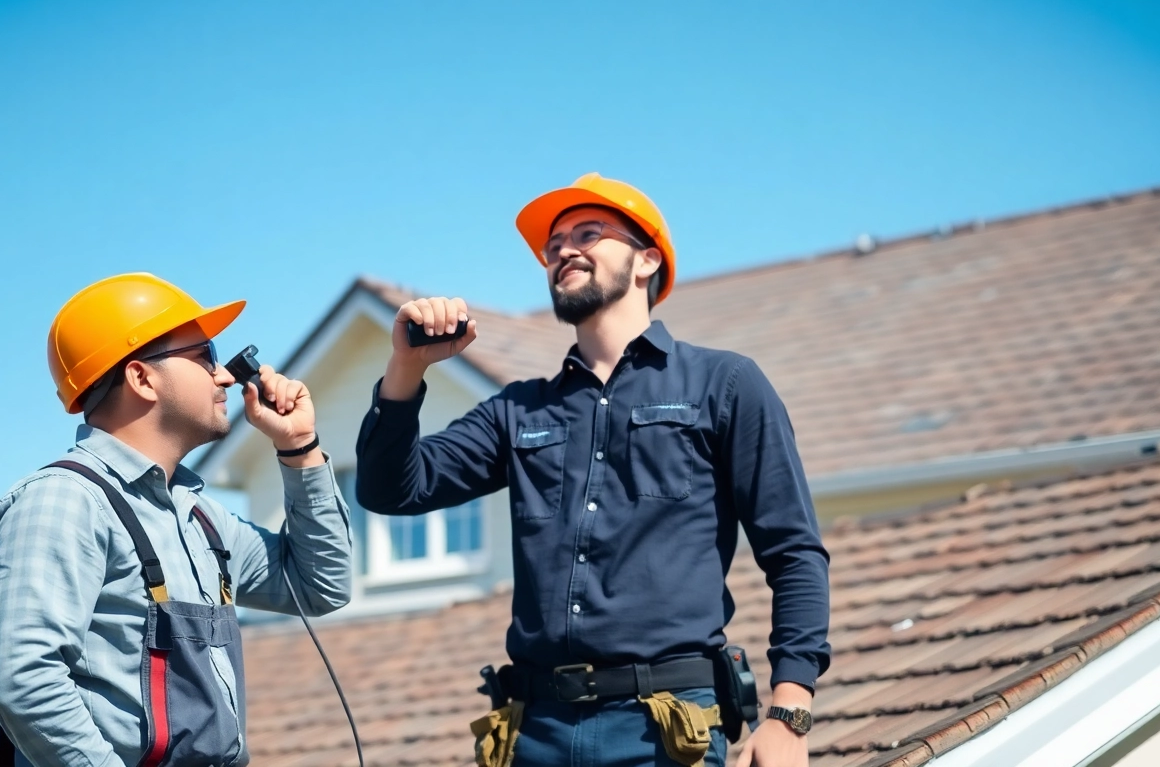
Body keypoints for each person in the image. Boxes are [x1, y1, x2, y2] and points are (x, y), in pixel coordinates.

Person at [355, 174, 830, 766]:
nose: (562, 251)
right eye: (553, 246)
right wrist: (407, 368)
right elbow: (388, 489)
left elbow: (794, 553)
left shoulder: (725, 384)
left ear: (646, 260)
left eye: (588, 233)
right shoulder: (517, 409)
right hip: (534, 733)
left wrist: (789, 712)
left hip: (664, 731)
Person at [0, 273, 353, 767]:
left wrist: (299, 447)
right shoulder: (61, 502)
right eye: (205, 357)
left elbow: (321, 586)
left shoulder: (200, 518)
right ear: (141, 378)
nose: (224, 376)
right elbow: (24, 679)